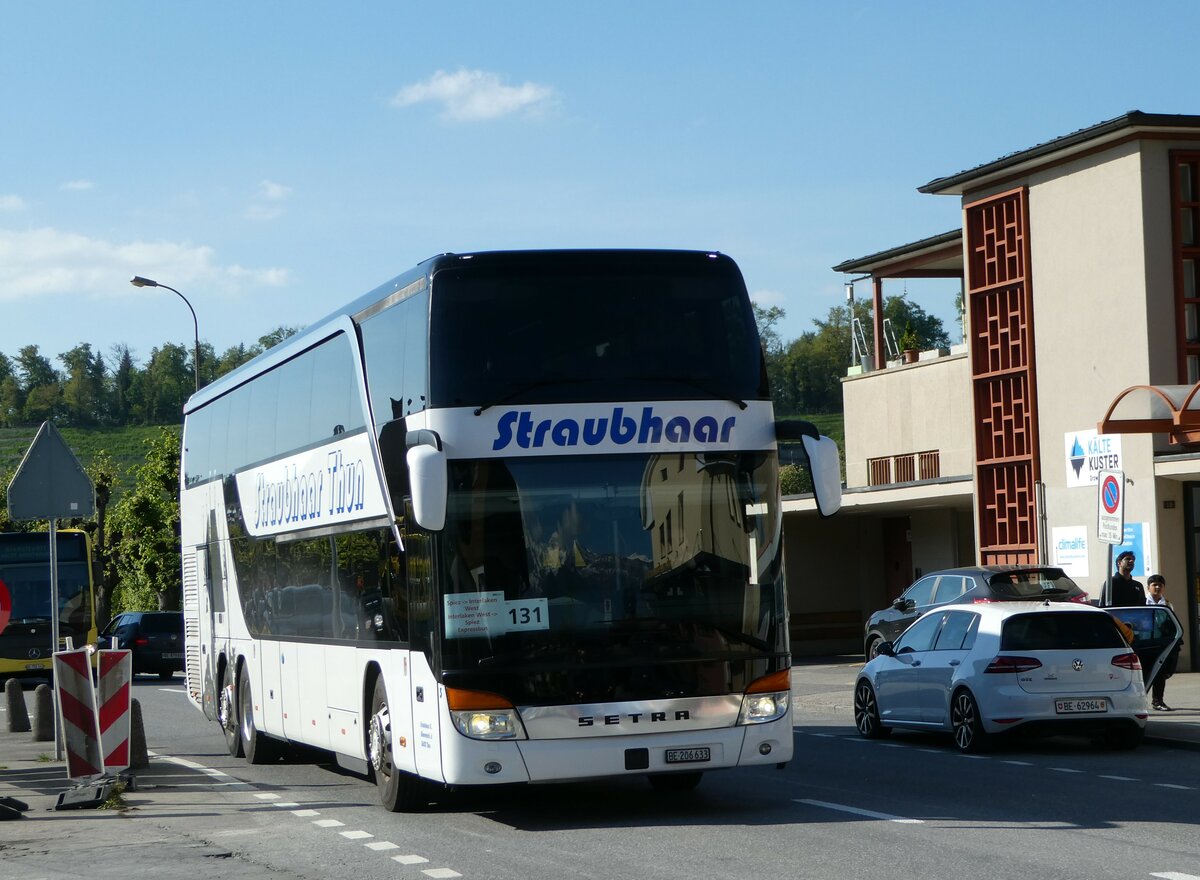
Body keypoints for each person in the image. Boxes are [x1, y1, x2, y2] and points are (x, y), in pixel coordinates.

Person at [1146, 573, 1181, 711]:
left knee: (1162, 673)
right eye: (1154, 585)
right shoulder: (1143, 603)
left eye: (1160, 585)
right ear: (1148, 587)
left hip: (1161, 643)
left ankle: (1158, 701)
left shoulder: (1167, 604)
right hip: (1146, 642)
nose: (1157, 587)